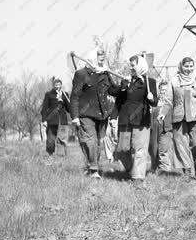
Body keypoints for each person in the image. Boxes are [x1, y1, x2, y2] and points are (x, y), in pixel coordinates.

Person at [69, 47, 116, 178]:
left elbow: (113, 91)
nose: (102, 59)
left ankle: (91, 167)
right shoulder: (81, 74)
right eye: (99, 57)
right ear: (92, 58)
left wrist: (125, 85)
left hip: (102, 115)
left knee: (98, 143)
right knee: (90, 140)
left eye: (103, 57)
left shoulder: (105, 73)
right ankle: (94, 170)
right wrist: (75, 116)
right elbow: (75, 96)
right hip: (85, 114)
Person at [111, 54, 158, 186]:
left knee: (140, 150)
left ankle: (138, 177)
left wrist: (151, 98)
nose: (131, 67)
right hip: (125, 120)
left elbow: (155, 102)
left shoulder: (150, 82)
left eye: (133, 65)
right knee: (121, 150)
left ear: (141, 65)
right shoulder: (126, 81)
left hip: (141, 120)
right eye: (130, 65)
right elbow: (118, 100)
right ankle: (131, 169)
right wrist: (113, 117)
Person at [158, 57, 196, 179]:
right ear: (181, 66)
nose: (188, 69)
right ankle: (187, 172)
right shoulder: (174, 81)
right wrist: (163, 113)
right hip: (179, 118)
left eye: (191, 66)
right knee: (181, 145)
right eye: (186, 66)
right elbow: (168, 100)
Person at [40, 78, 71, 156]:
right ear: (53, 85)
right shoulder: (49, 94)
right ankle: (50, 154)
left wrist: (66, 101)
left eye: (59, 84)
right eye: (56, 85)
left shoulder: (65, 94)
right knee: (50, 139)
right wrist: (44, 120)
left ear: (61, 85)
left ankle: (61, 156)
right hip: (51, 120)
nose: (57, 86)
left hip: (63, 120)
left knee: (62, 139)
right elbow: (44, 108)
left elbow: (69, 109)